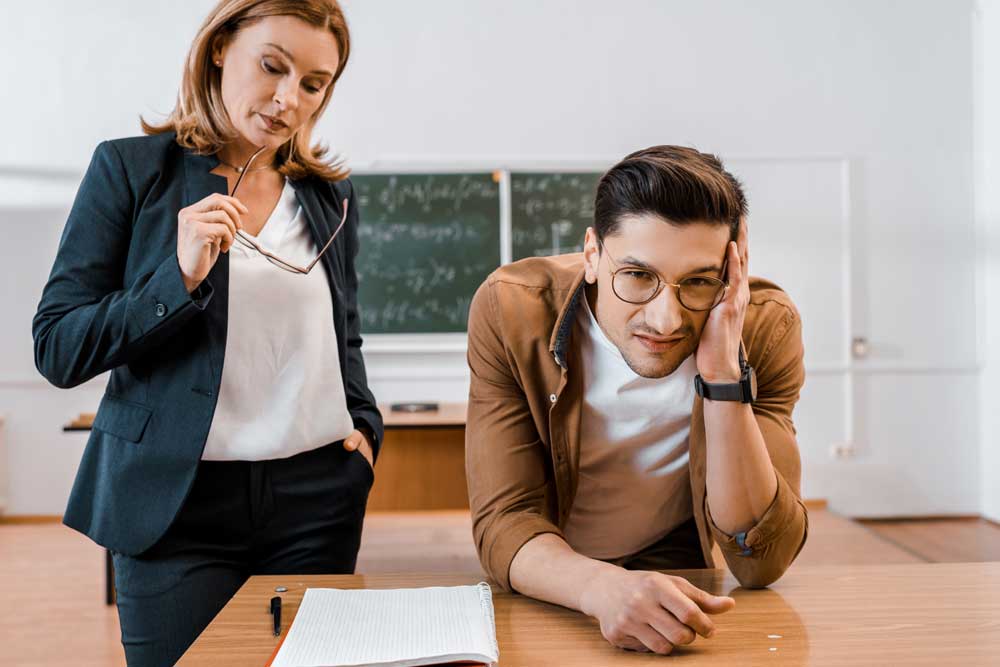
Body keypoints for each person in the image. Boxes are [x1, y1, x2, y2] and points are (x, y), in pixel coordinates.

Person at [32, 2, 381, 665]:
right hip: (175, 505)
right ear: (220, 48)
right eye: (272, 66)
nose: (288, 99)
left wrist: (364, 430)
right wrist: (178, 278)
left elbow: (346, 336)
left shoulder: (328, 196)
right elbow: (57, 344)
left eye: (314, 83)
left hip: (316, 500)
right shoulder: (132, 171)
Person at [464, 145, 808, 655]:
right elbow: (504, 522)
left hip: (670, 567)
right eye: (639, 276)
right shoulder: (511, 309)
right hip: (549, 576)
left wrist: (721, 376)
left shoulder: (764, 326)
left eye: (697, 281)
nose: (664, 320)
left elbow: (759, 560)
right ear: (592, 255)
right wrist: (600, 588)